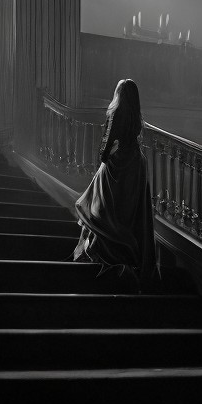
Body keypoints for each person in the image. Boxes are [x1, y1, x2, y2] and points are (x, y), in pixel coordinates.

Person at [73, 79, 156, 281]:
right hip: (136, 164)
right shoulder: (136, 115)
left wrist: (103, 159)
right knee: (127, 210)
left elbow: (107, 142)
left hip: (120, 163)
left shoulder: (116, 112)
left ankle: (106, 247)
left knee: (104, 205)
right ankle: (126, 251)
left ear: (119, 94)